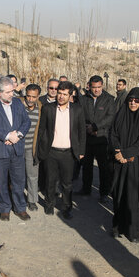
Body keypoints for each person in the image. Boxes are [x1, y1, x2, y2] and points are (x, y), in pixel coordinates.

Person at [109, 87, 139, 242]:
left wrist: (126, 154)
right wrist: (118, 152)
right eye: (131, 100)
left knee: (135, 198)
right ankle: (118, 226)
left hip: (137, 165)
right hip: (120, 164)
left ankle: (135, 232)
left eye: (137, 101)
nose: (133, 103)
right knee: (119, 195)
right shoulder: (121, 115)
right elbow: (113, 134)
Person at [0, 76, 31, 221]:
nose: (12, 94)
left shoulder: (17, 103)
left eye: (12, 91)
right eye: (8, 92)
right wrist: (6, 136)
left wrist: (19, 135)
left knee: (19, 180)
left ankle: (20, 208)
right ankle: (4, 208)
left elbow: (26, 121)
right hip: (0, 149)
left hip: (17, 148)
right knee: (1, 181)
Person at [36, 81, 86, 219]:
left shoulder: (77, 110)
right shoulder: (48, 108)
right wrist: (40, 149)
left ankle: (66, 207)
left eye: (65, 94)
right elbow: (42, 130)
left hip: (68, 153)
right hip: (51, 152)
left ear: (70, 95)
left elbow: (82, 132)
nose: (61, 96)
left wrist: (81, 151)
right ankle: (49, 204)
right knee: (50, 181)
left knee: (67, 183)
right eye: (59, 93)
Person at [79, 75, 116, 201]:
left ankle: (104, 193)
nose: (96, 90)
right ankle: (86, 189)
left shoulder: (109, 99)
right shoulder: (84, 99)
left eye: (99, 87)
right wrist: (86, 127)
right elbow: (79, 115)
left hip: (102, 138)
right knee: (87, 165)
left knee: (103, 167)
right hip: (87, 138)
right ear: (89, 86)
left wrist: (95, 127)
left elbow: (110, 117)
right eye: (94, 87)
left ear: (102, 86)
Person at [21, 84, 42, 211]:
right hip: (17, 147)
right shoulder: (18, 106)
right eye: (28, 96)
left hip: (31, 148)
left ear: (38, 97)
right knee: (16, 176)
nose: (30, 99)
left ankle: (32, 200)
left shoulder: (41, 108)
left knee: (32, 175)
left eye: (33, 97)